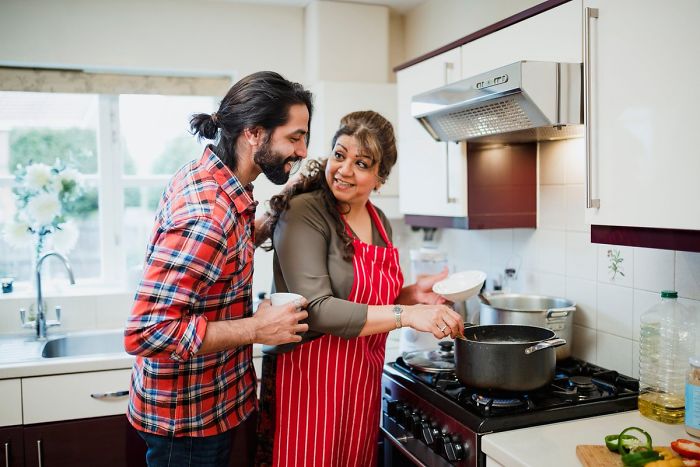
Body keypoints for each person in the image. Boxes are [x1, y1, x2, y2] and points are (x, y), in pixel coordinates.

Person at [123, 71, 314, 467]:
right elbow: (148, 331)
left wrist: (271, 216)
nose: (302, 150)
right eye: (294, 137)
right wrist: (257, 329)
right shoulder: (208, 216)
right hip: (187, 425)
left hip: (208, 406)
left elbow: (216, 259)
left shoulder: (214, 180)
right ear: (254, 133)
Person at [255, 110, 464, 467]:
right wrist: (409, 314)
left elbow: (373, 301)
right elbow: (318, 308)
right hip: (309, 384)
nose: (344, 169)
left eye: (361, 163)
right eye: (339, 155)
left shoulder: (379, 221)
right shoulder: (305, 212)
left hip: (362, 381)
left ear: (380, 178)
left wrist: (412, 294)